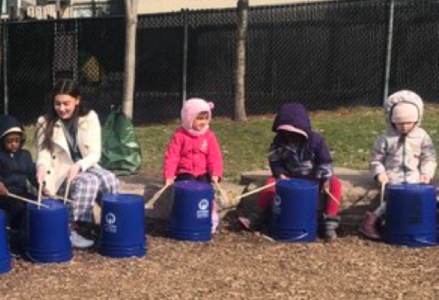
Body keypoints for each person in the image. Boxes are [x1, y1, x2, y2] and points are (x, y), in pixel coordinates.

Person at [238, 103, 343, 241]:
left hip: (313, 178)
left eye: (294, 132)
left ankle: (329, 222)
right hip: (289, 178)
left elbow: (325, 161)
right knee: (270, 184)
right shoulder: (279, 141)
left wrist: (324, 180)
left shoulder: (316, 141)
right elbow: (274, 160)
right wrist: (279, 173)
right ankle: (256, 218)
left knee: (335, 183)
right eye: (286, 132)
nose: (290, 135)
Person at [36, 80, 120, 249]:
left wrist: (79, 165)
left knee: (109, 179)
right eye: (57, 103)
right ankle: (77, 228)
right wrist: (41, 168)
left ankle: (112, 222)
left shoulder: (90, 117)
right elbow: (43, 153)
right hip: (61, 176)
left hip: (85, 167)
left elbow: (95, 153)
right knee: (88, 182)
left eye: (66, 103)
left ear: (77, 100)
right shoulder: (44, 122)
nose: (61, 108)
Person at [359, 90, 437, 240]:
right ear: (392, 120)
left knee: (423, 195)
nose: (404, 126)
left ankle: (424, 222)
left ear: (417, 119)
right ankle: (371, 220)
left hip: (415, 176)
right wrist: (379, 173)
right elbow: (376, 159)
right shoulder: (386, 138)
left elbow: (429, 156)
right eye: (400, 123)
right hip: (393, 175)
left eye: (409, 123)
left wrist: (426, 172)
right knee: (396, 197)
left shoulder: (422, 136)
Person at [163, 98, 224, 232]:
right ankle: (183, 217)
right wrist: (169, 175)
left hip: (203, 172)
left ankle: (210, 216)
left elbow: (215, 157)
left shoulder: (209, 136)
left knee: (206, 190)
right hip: (185, 171)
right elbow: (172, 156)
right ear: (189, 119)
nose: (204, 122)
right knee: (187, 189)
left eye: (206, 118)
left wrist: (215, 173)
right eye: (199, 119)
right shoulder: (179, 135)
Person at [0, 115, 39, 255]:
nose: (14, 144)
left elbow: (31, 173)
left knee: (35, 204)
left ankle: (32, 235)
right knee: (18, 207)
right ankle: (14, 238)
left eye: (17, 140)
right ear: (1, 141)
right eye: (9, 141)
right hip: (1, 192)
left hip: (19, 190)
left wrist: (41, 187)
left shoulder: (25, 155)